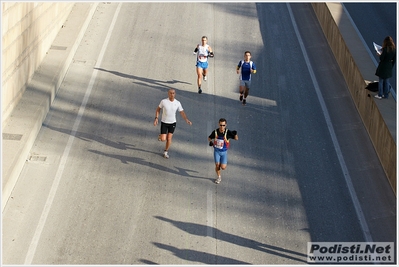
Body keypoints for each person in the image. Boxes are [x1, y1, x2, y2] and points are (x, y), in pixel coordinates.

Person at [154, 88, 192, 159]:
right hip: (164, 122)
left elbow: (182, 112)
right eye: (170, 93)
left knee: (169, 138)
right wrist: (156, 118)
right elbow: (158, 109)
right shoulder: (164, 101)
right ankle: (161, 136)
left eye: (173, 93)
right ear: (168, 94)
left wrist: (186, 119)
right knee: (163, 139)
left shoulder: (177, 103)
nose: (172, 94)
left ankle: (165, 152)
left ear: (175, 94)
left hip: (172, 123)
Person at [208, 118, 238, 184]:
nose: (222, 127)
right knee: (217, 165)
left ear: (226, 125)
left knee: (223, 167)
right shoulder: (215, 132)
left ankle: (222, 164)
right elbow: (209, 138)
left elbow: (236, 139)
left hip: (224, 152)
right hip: (217, 151)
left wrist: (235, 134)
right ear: (219, 124)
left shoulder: (228, 132)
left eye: (223, 125)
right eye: (221, 125)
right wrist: (211, 142)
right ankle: (219, 177)